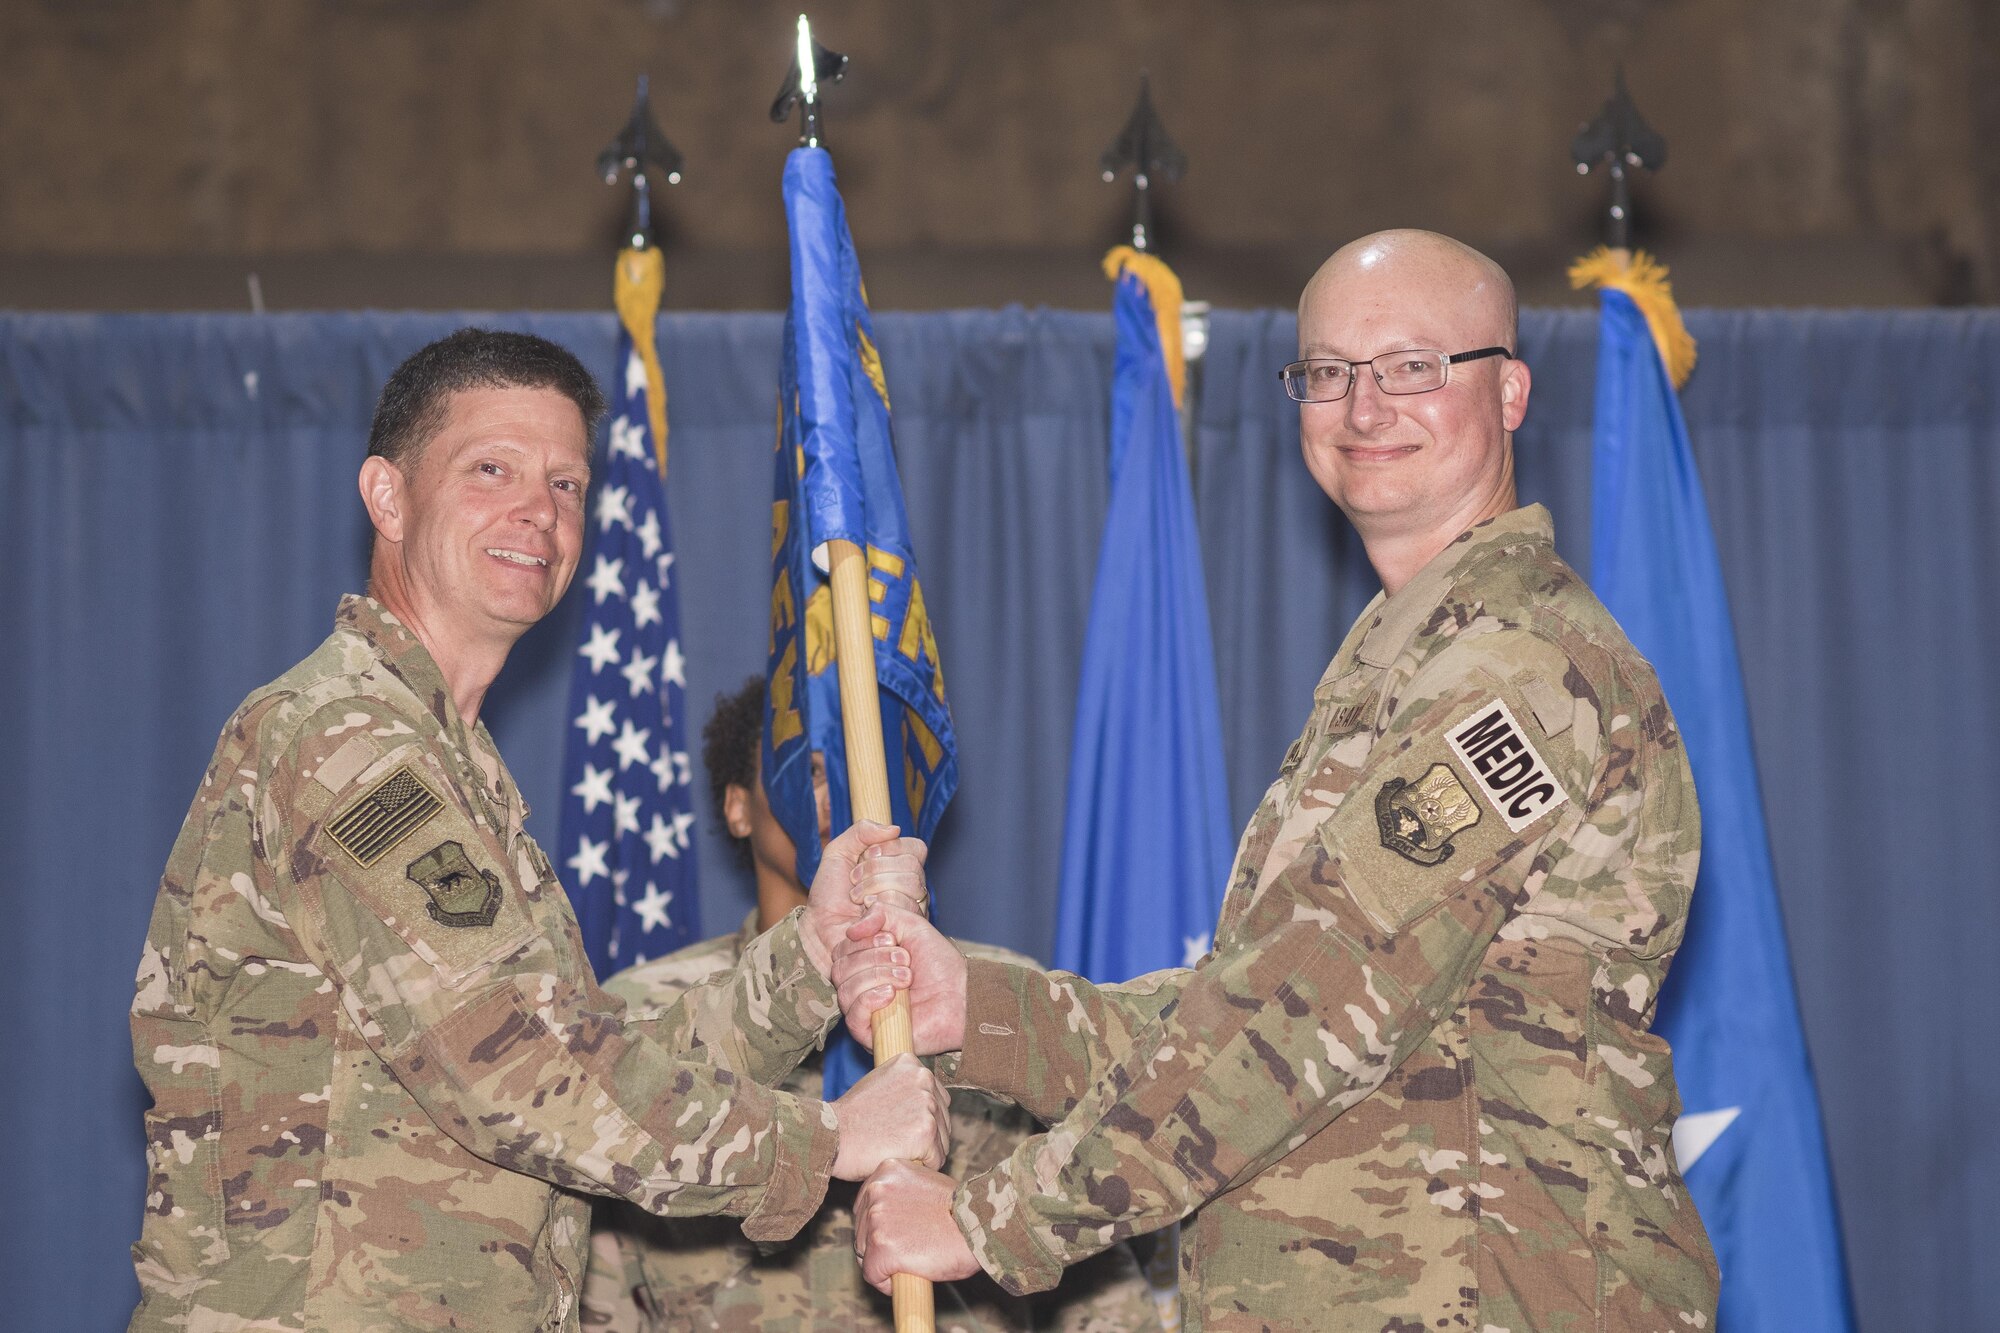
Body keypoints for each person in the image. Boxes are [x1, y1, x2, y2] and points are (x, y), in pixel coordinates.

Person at [833, 232, 1723, 1331]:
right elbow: (1248, 1004)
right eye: (1327, 373)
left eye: (1411, 367)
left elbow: (1303, 1005)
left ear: (1508, 392)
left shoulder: (1522, 667)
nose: (1362, 409)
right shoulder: (1396, 665)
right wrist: (976, 1008)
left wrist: (990, 1218)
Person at [128, 329, 948, 1333]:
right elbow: (511, 1069)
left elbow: (585, 1052)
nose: (537, 511)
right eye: (491, 470)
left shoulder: (448, 760)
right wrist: (820, 1142)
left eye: (566, 485)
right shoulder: (342, 736)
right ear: (386, 496)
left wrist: (810, 958)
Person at [581, 678, 1165, 1332]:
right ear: (738, 807)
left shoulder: (992, 1001)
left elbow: (1095, 1274)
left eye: (868, 767)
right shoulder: (649, 1009)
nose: (847, 797)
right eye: (809, 771)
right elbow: (604, 1254)